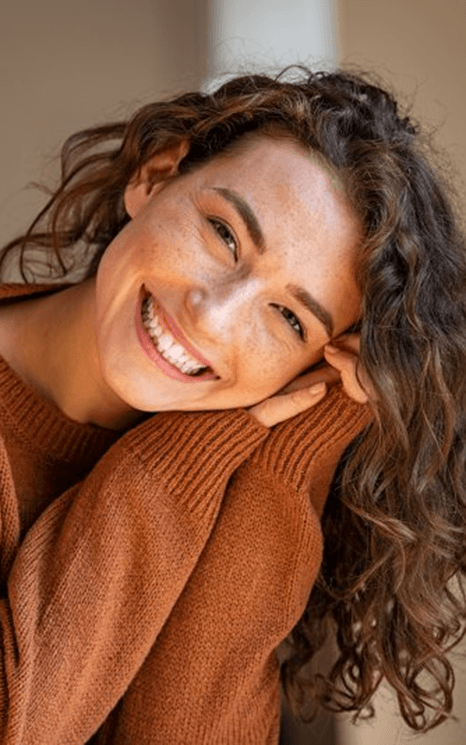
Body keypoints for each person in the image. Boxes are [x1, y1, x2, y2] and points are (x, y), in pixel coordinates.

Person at [0, 65, 464, 744]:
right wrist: (167, 467)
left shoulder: (233, 490)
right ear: (155, 178)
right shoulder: (181, 466)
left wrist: (296, 447)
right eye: (223, 235)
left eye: (288, 319)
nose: (214, 317)